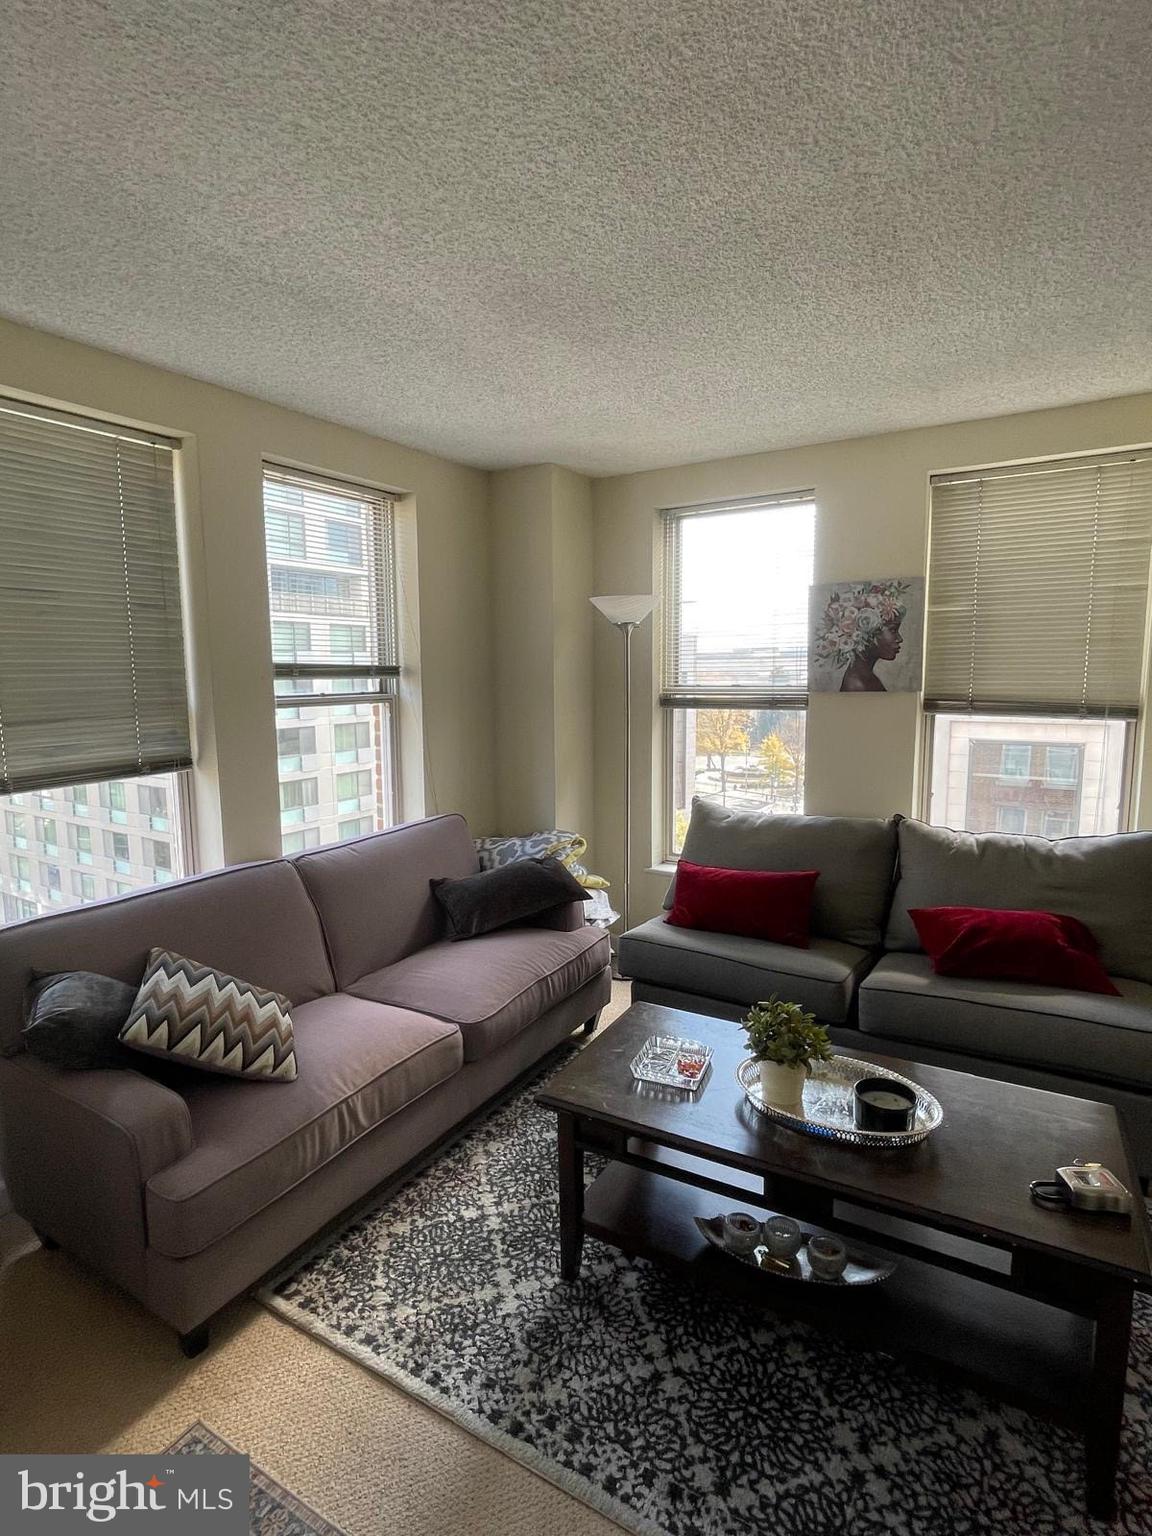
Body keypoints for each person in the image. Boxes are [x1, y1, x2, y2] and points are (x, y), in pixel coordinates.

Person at [839, 619, 902, 691]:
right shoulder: (858, 686)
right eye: (893, 630)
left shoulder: (865, 677)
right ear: (868, 634)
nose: (900, 639)